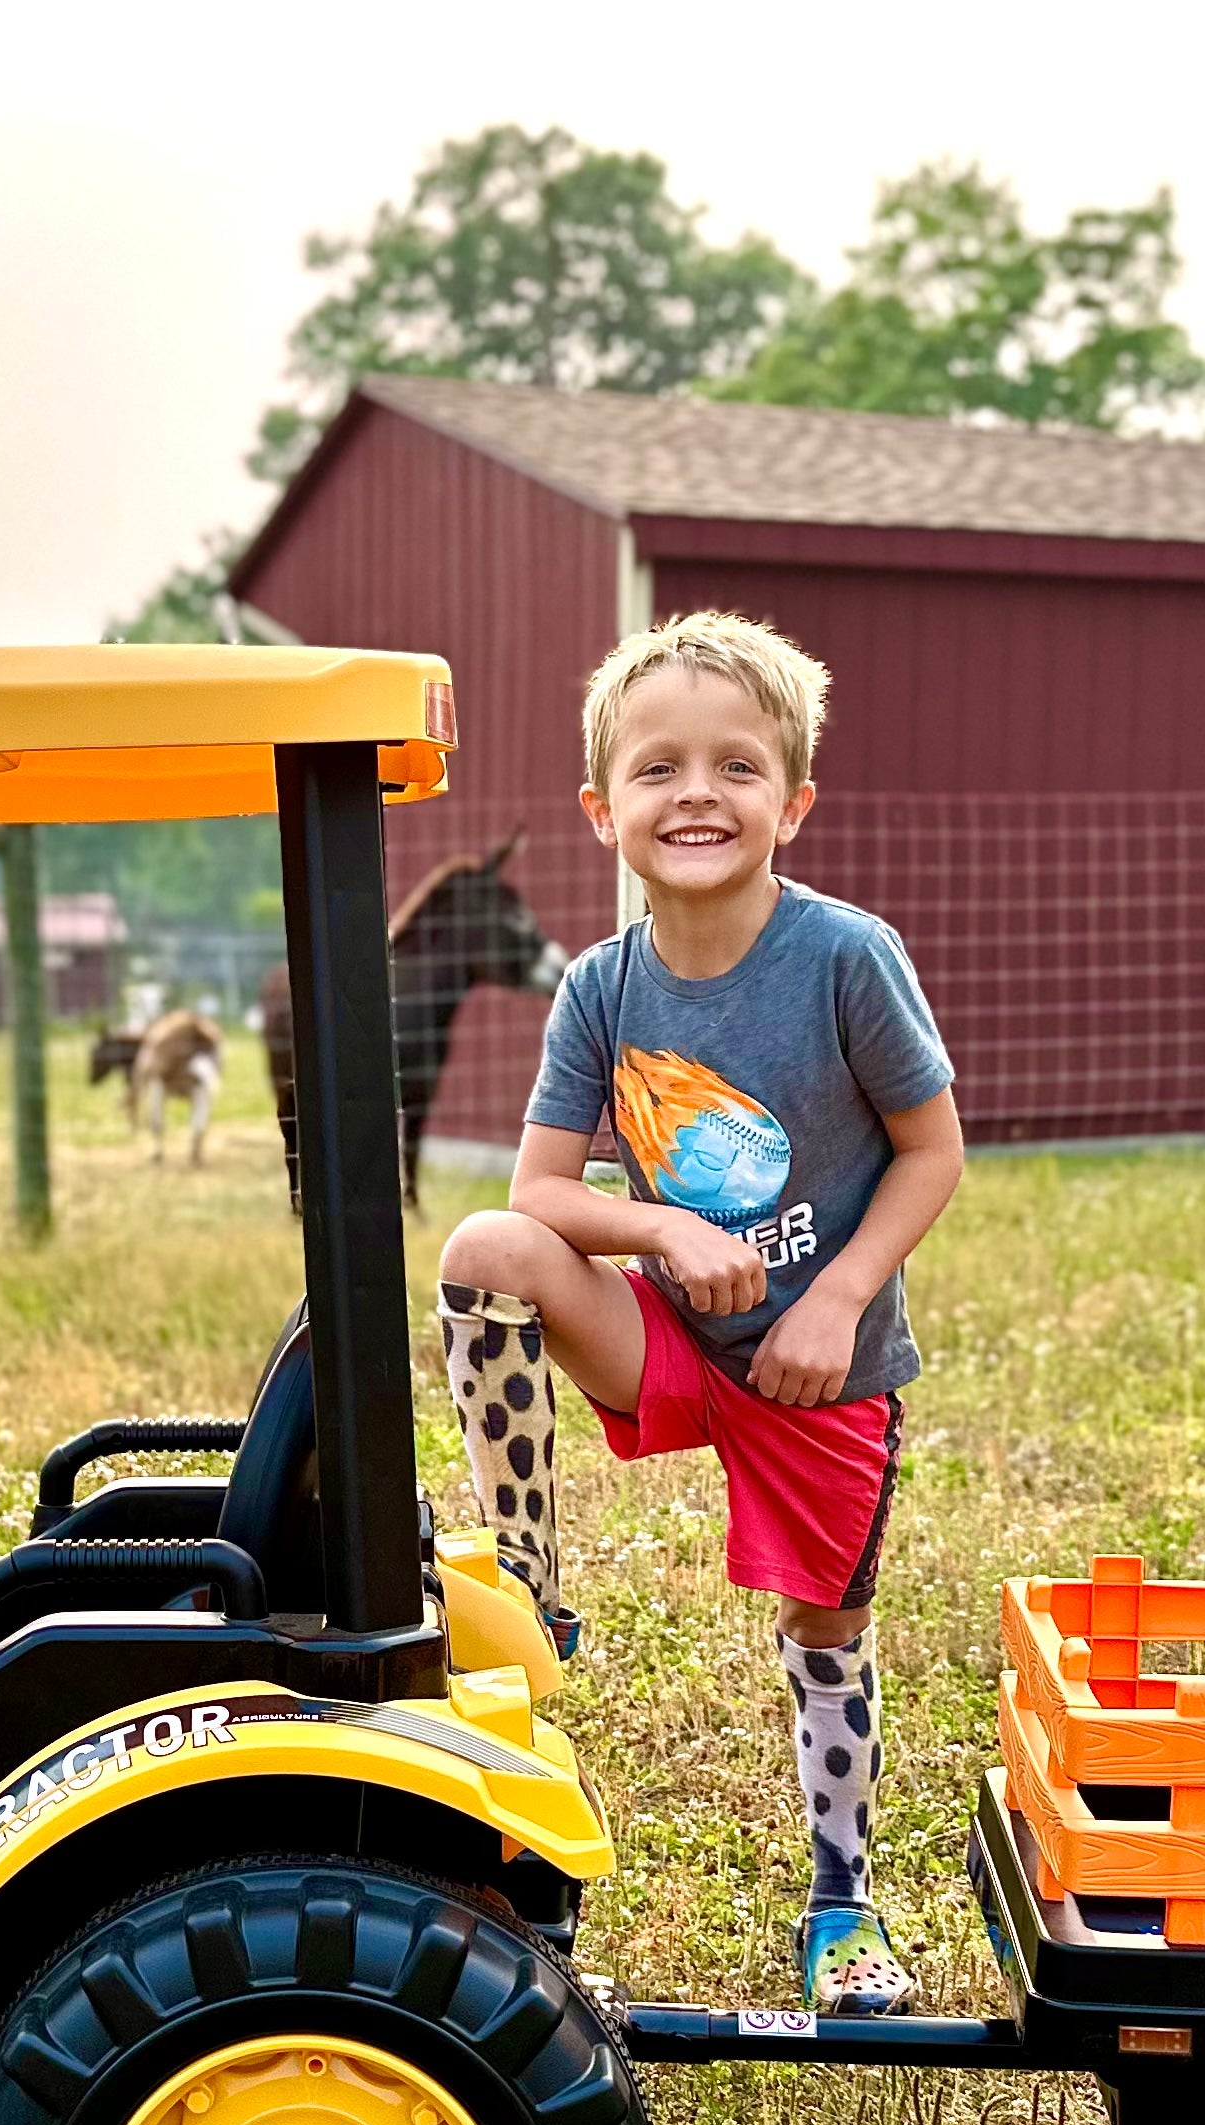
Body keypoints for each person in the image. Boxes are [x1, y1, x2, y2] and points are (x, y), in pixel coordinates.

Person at [434, 613, 964, 2019]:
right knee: (486, 1245)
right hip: (671, 1338)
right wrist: (661, 1224)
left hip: (818, 1366)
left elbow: (934, 1151)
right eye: (659, 768)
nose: (697, 795)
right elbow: (542, 1192)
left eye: (737, 766)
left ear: (792, 801)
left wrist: (839, 1297)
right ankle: (532, 1581)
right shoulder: (601, 990)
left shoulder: (847, 959)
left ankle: (843, 1905)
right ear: (605, 809)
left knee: (828, 1627)